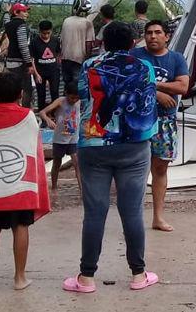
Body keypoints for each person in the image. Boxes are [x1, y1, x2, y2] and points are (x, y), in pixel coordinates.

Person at [64, 21, 159, 294]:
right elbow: (148, 102)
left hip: (94, 145)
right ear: (133, 43)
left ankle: (86, 277)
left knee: (95, 212)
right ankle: (139, 275)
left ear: (103, 42)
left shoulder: (89, 65)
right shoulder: (145, 66)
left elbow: (82, 94)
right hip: (134, 146)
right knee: (132, 212)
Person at [0, 72, 51, 294]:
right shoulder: (28, 116)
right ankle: (20, 277)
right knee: (21, 228)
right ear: (20, 94)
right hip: (22, 185)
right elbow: (33, 151)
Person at [129, 20, 189, 232]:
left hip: (165, 122)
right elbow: (128, 82)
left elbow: (183, 86)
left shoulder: (176, 58)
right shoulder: (135, 56)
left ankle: (158, 217)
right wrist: (158, 93)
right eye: (149, 33)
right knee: (137, 169)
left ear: (167, 36)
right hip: (139, 121)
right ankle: (134, 217)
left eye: (157, 32)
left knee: (160, 168)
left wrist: (151, 84)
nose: (152, 36)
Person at [39, 82, 82, 192]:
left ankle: (82, 189)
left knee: (77, 164)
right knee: (57, 163)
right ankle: (54, 187)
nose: (74, 101)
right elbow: (42, 112)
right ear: (66, 94)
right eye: (72, 98)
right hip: (60, 138)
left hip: (73, 137)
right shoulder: (60, 101)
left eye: (76, 98)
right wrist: (48, 120)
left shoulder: (79, 102)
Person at [3, 3, 36, 110]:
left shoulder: (8, 25)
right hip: (20, 63)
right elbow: (23, 46)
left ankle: (13, 110)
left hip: (10, 62)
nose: (27, 14)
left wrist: (6, 12)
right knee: (26, 90)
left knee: (13, 89)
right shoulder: (22, 26)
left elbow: (6, 21)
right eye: (24, 11)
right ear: (17, 13)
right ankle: (24, 112)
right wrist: (29, 64)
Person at [60, 0, 95, 86]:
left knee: (67, 84)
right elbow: (89, 43)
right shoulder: (88, 23)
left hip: (65, 58)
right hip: (79, 59)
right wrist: (87, 58)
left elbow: (62, 40)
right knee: (77, 86)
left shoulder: (66, 21)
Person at [30, 20, 62, 111]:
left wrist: (58, 64)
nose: (46, 35)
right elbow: (31, 59)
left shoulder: (55, 40)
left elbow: (59, 53)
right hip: (40, 72)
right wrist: (36, 74)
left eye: (48, 33)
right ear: (39, 31)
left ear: (51, 31)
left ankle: (55, 113)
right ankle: (42, 114)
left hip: (53, 71)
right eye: (44, 33)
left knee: (55, 93)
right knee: (41, 94)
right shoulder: (34, 42)